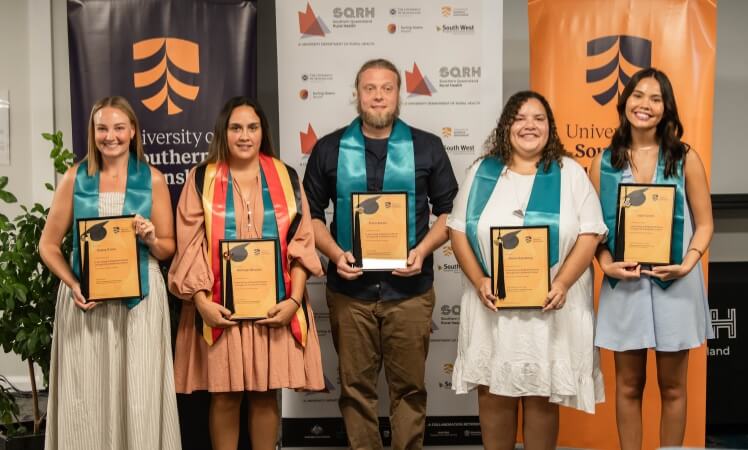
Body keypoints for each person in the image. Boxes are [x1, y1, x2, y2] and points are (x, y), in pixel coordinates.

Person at [303, 58, 458, 450]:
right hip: (350, 294)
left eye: (386, 88)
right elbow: (310, 215)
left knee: (409, 390)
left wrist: (422, 251)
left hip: (410, 292)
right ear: (357, 94)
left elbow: (450, 213)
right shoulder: (329, 148)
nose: (377, 96)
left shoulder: (427, 147)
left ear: (398, 94)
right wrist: (335, 254)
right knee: (355, 390)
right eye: (369, 88)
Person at [448, 91, 606, 450]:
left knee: (540, 392)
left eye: (539, 118)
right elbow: (456, 230)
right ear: (506, 126)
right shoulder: (482, 171)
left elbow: (591, 232)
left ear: (549, 127)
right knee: (494, 390)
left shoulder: (569, 173)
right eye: (520, 118)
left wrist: (563, 281)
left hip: (551, 306)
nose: (530, 125)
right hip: (493, 307)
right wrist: (480, 280)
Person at [168, 96, 324, 450]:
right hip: (220, 308)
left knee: (264, 394)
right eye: (236, 128)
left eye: (252, 127)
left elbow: (301, 244)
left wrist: (294, 302)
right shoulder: (201, 178)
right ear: (224, 132)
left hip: (275, 307)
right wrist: (202, 303)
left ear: (262, 132)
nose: (244, 135)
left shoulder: (285, 177)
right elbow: (189, 246)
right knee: (224, 396)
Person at [39, 96, 181, 449]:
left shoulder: (154, 180)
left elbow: (167, 248)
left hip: (141, 302)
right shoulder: (74, 178)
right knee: (87, 392)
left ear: (132, 131)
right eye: (102, 128)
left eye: (119, 127)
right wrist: (73, 284)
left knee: (139, 392)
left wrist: (150, 237)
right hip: (86, 301)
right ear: (93, 132)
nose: (110, 136)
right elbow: (48, 245)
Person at [590, 68, 713, 450]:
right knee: (628, 385)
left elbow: (706, 223)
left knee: (674, 387)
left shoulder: (685, 158)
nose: (645, 104)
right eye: (638, 95)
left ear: (667, 108)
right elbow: (593, 230)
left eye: (656, 98)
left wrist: (689, 262)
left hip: (676, 281)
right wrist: (606, 264)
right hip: (623, 283)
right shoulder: (602, 162)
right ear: (624, 101)